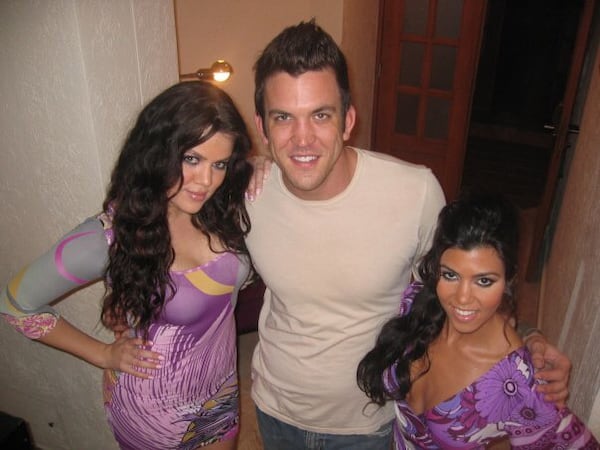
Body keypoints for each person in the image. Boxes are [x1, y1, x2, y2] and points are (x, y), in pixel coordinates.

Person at [244, 19, 571, 450]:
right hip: (273, 409)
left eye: (320, 115)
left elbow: (460, 284)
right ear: (262, 127)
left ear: (348, 121)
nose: (302, 139)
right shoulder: (246, 194)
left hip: (369, 425)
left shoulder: (414, 193)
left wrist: (529, 339)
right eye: (283, 118)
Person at [1, 81, 253, 450]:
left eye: (220, 164)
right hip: (153, 413)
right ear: (156, 152)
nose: (206, 181)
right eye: (191, 159)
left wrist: (263, 165)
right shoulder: (110, 235)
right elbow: (14, 304)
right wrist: (102, 354)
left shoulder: (223, 207)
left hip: (220, 391)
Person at [357, 192, 598, 448]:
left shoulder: (516, 384)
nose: (462, 298)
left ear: (509, 278)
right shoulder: (418, 304)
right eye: (450, 275)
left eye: (484, 281)